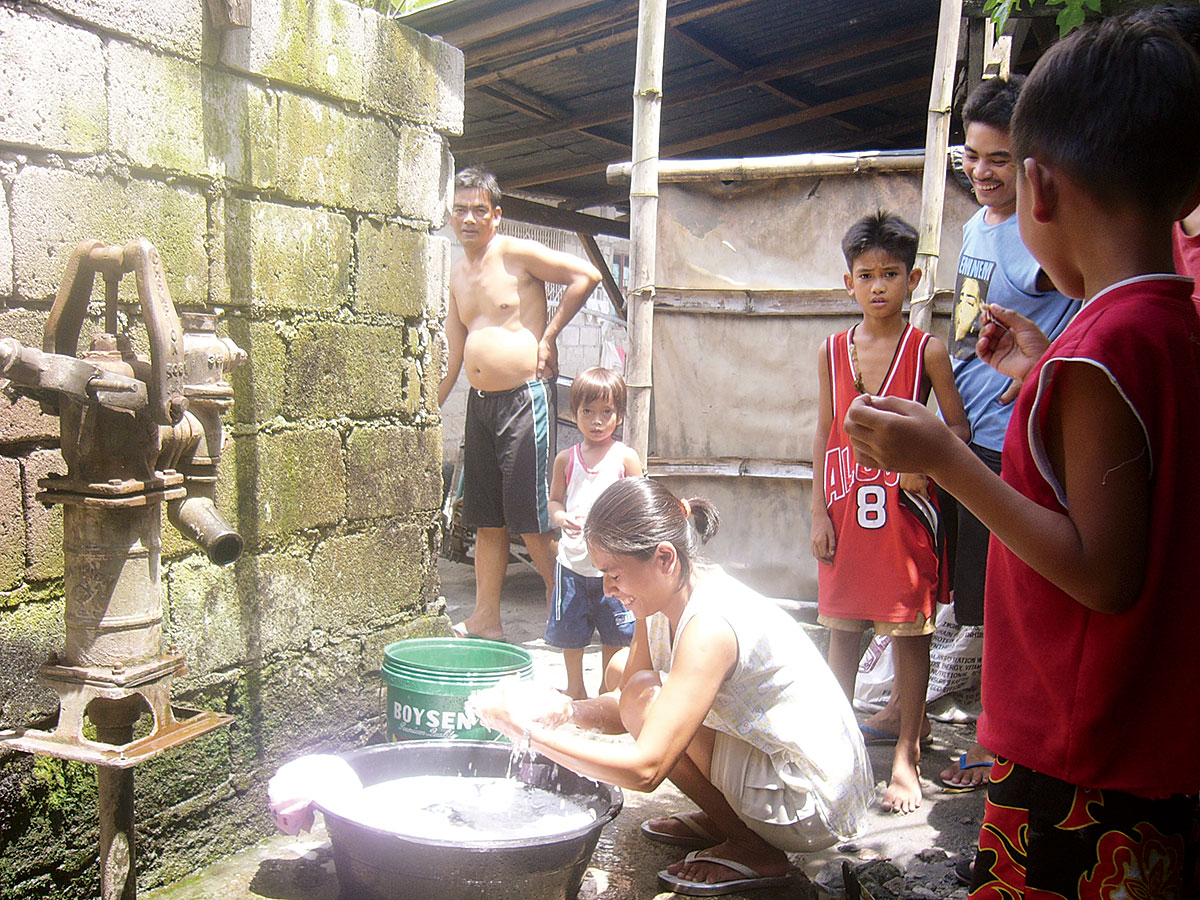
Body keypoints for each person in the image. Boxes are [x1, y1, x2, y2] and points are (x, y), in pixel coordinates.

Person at [844, 17, 1200, 897]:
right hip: (1155, 736)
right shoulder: (1165, 327)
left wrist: (951, 458)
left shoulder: (1101, 353)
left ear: (1036, 188)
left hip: (1081, 753)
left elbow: (1104, 571)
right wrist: (1042, 364)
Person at [474, 478, 873, 897]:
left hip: (809, 802)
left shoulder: (709, 627)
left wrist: (526, 733)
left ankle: (754, 847)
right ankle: (727, 816)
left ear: (664, 558)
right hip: (782, 766)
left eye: (613, 574)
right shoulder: (663, 600)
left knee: (646, 695)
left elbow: (646, 769)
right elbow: (623, 706)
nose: (608, 589)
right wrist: (564, 711)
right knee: (626, 675)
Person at [938, 75, 1081, 794]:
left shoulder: (1047, 229)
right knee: (979, 598)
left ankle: (1006, 742)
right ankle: (997, 729)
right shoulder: (974, 227)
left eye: (998, 158)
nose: (982, 171)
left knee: (1013, 598)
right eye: (972, 155)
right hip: (967, 427)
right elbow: (966, 332)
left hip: (1018, 430)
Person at [811, 211, 970, 815]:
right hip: (846, 509)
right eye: (866, 275)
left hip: (904, 513)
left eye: (891, 274)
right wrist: (818, 512)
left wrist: (923, 465)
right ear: (848, 282)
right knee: (842, 628)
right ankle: (835, 746)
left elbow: (958, 426)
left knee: (909, 630)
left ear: (914, 278)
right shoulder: (831, 351)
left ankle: (907, 752)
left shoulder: (925, 349)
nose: (879, 286)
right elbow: (825, 431)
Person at [439, 167, 602, 641]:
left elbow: (586, 275)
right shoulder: (456, 274)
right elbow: (454, 351)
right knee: (487, 518)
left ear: (496, 216)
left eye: (479, 210)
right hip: (481, 404)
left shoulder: (513, 253)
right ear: (451, 216)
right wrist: (430, 406)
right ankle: (487, 618)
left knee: (531, 519)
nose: (469, 218)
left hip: (522, 401)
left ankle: (567, 618)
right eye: (461, 209)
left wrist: (548, 337)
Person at [546, 366, 642, 699]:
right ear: (574, 414)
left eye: (606, 412)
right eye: (587, 411)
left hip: (613, 568)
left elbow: (637, 504)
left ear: (619, 416)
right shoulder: (565, 459)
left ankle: (608, 688)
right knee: (570, 631)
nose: (596, 421)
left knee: (615, 631)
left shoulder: (625, 458)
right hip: (572, 563)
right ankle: (575, 688)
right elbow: (555, 501)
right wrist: (562, 519)